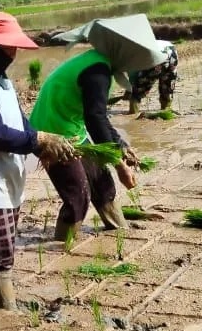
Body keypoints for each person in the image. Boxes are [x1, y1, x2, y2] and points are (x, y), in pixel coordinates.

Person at [0, 12, 76, 310]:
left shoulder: (0, 81)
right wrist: (40, 140)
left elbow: (19, 124)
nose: (14, 52)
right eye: (7, 46)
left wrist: (40, 146)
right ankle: (5, 311)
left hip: (6, 175)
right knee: (3, 250)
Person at [30, 14, 166, 242]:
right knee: (77, 196)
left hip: (72, 129)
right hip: (52, 134)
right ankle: (63, 245)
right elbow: (96, 120)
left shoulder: (99, 63)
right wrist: (120, 164)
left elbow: (99, 119)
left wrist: (121, 146)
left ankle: (118, 228)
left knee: (102, 184)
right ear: (124, 50)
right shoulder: (97, 72)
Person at [123, 40, 179, 114]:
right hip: (171, 50)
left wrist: (130, 91)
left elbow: (134, 77)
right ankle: (166, 110)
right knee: (167, 85)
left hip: (154, 55)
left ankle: (133, 113)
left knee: (139, 89)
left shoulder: (128, 55)